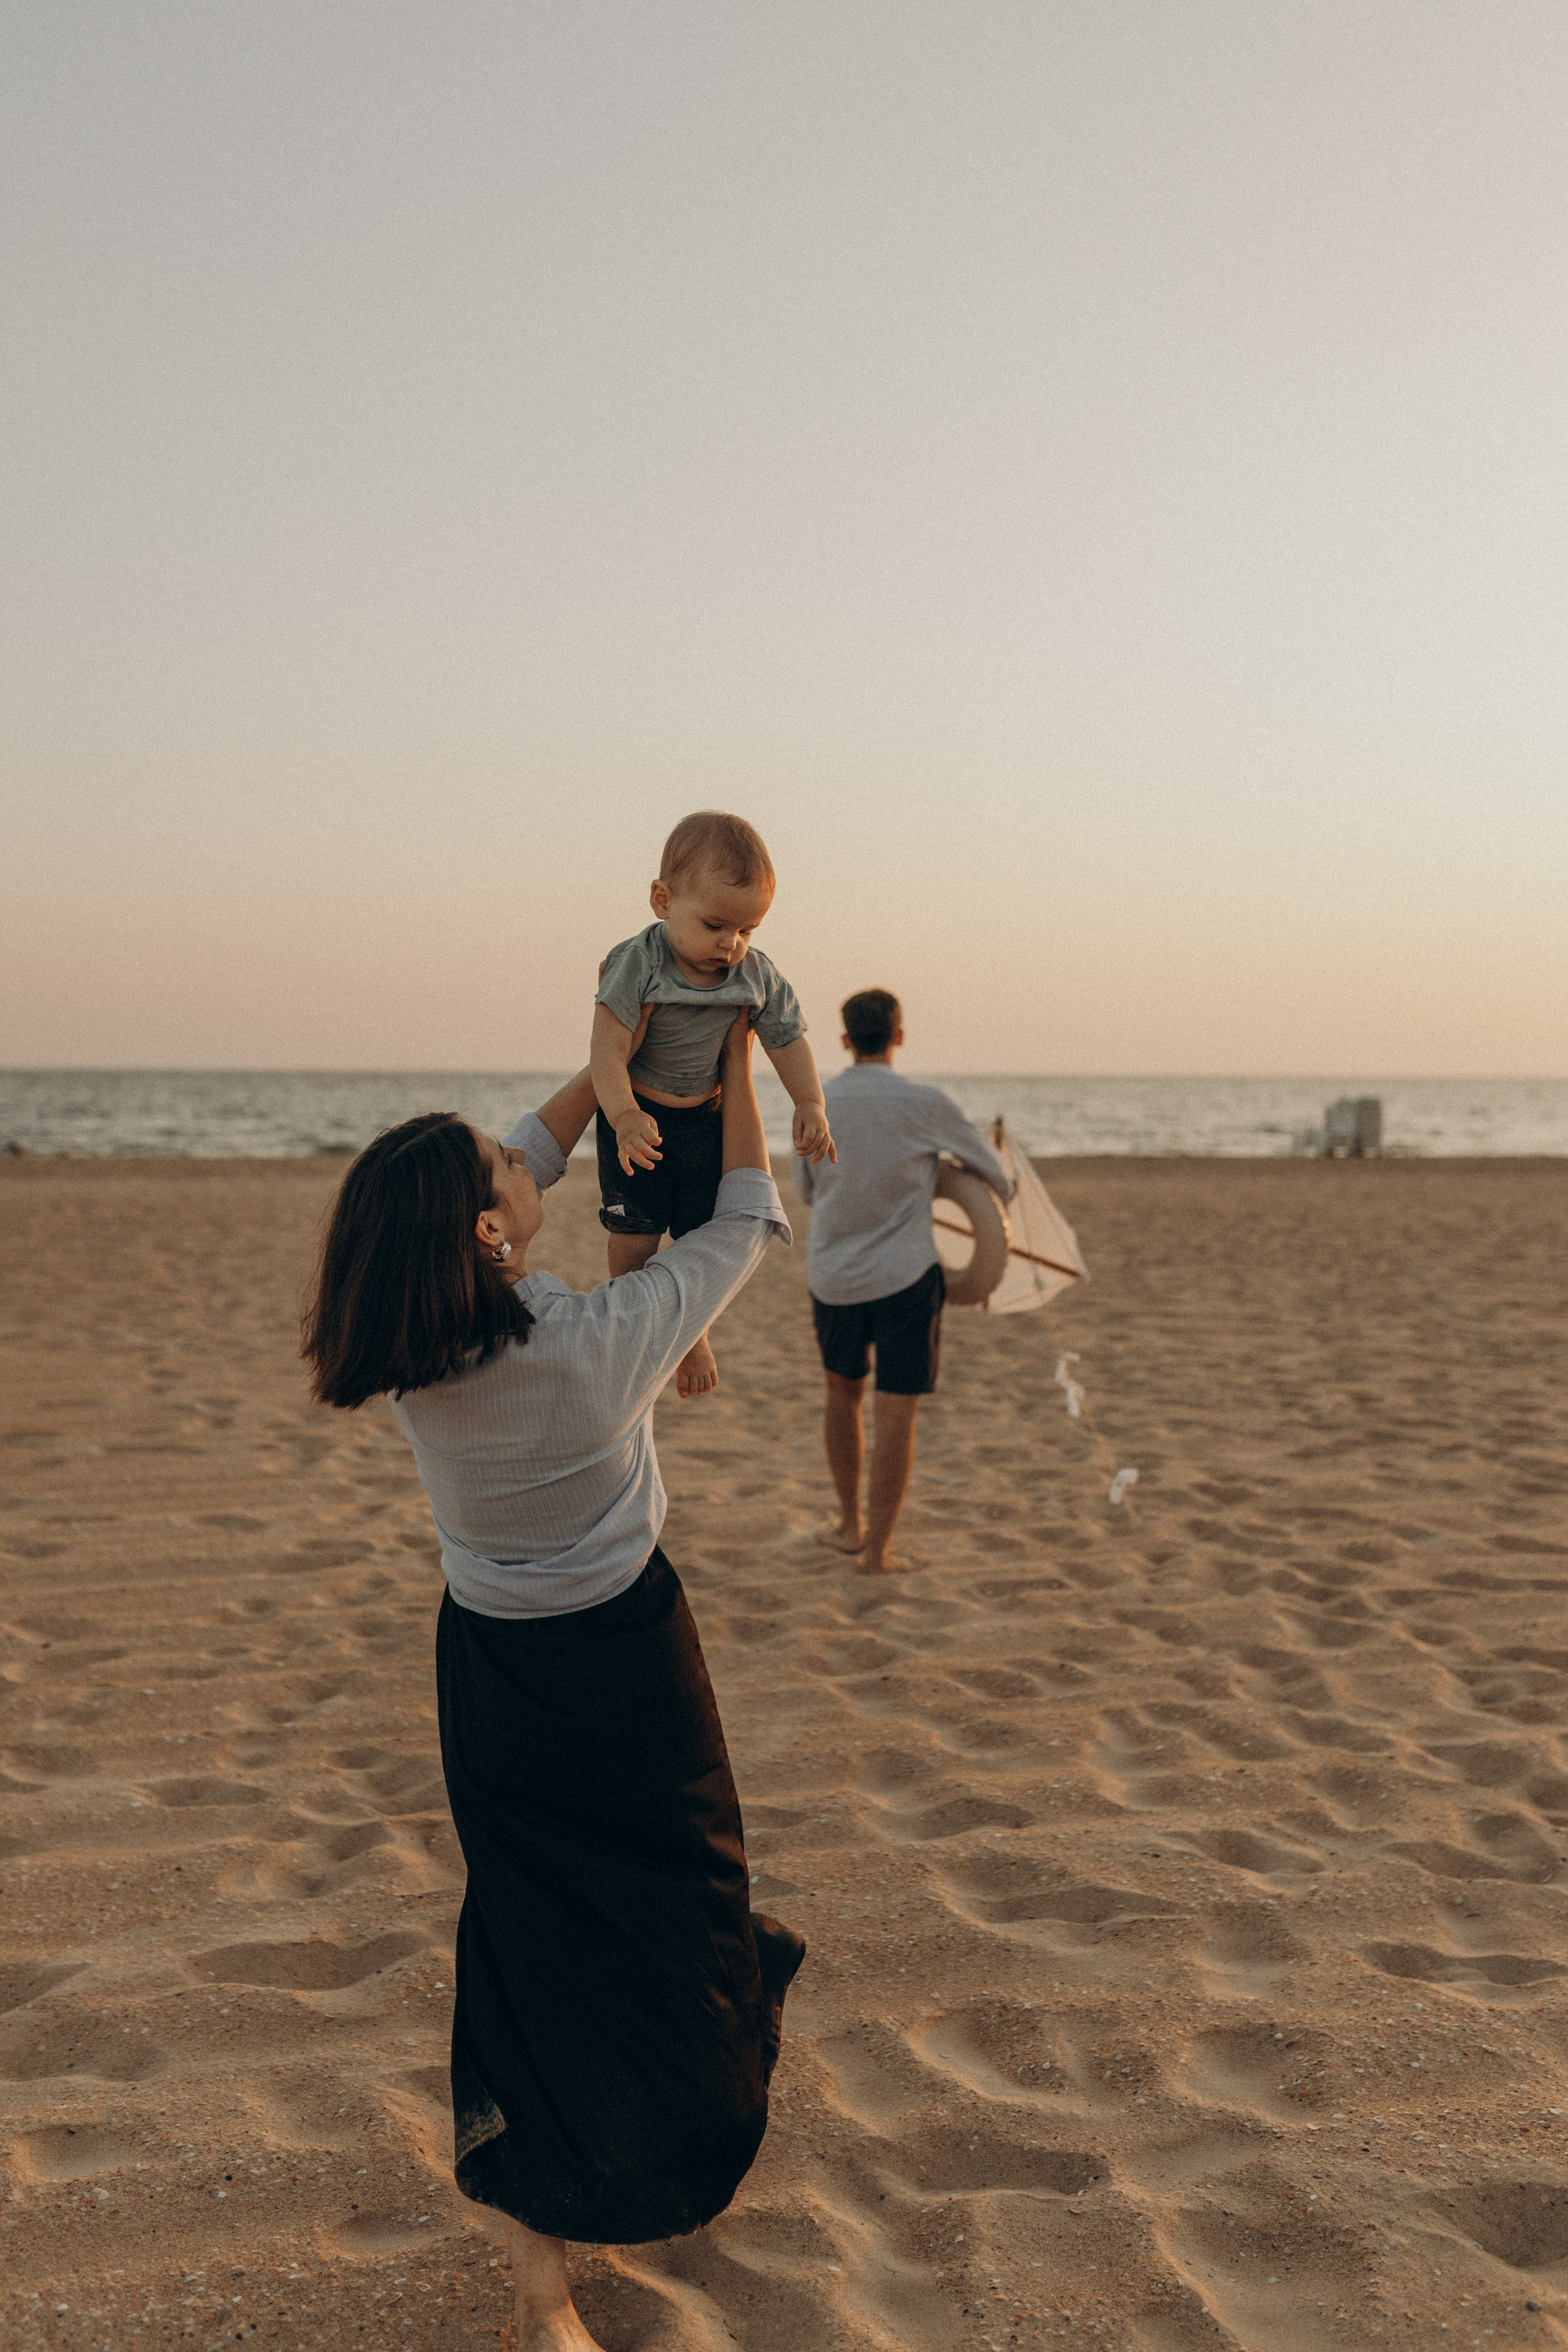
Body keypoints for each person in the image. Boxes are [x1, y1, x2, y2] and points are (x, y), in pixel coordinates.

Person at [301, 1017, 804, 2352]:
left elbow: (536, 1152)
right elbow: (750, 1215)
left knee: (525, 1941)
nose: (530, 1165)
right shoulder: (594, 1349)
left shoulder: (415, 1348)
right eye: (503, 1177)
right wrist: (733, 1067)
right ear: (484, 1233)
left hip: (491, 1678)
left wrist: (622, 1049)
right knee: (683, 1911)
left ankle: (543, 2281)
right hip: (627, 1671)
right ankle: (656, 2158)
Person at [590, 810, 835, 1401]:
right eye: (715, 925)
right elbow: (607, 1045)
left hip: (706, 1119)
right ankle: (628, 1321)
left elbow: (787, 1039)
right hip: (639, 1118)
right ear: (661, 900)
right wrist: (623, 1115)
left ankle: (692, 1331)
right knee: (634, 1238)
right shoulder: (638, 962)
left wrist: (810, 1102)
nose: (731, 943)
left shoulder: (753, 974)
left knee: (699, 1236)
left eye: (748, 930)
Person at [796, 988, 1015, 1574]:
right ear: (899, 1035)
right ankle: (880, 1554)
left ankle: (848, 1526)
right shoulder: (927, 1103)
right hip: (905, 1278)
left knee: (842, 1394)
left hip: (835, 1277)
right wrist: (943, 1172)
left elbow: (808, 1192)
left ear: (845, 1040)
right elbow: (1001, 1181)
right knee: (897, 1413)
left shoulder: (814, 1100)